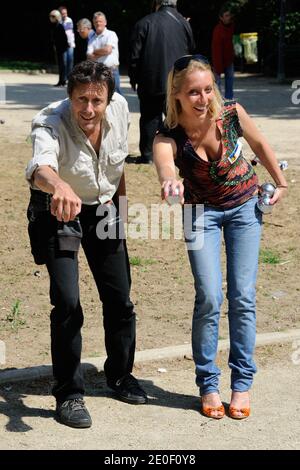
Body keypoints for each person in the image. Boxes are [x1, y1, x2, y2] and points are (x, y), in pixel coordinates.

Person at [153, 55, 288, 419]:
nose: (202, 98)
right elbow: (166, 164)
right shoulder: (168, 136)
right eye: (193, 92)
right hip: (200, 214)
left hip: (245, 207)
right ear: (177, 95)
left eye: (207, 89)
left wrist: (281, 181)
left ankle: (242, 384)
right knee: (210, 296)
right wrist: (170, 180)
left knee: (243, 295)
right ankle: (208, 384)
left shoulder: (230, 113)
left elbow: (259, 145)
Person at [25, 61, 147, 429]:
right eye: (81, 99)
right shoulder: (49, 121)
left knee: (120, 298)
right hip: (58, 209)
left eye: (97, 99)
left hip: (104, 208)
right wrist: (60, 186)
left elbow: (118, 166)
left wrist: (122, 215)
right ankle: (68, 394)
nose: (89, 109)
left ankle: (120, 375)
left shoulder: (121, 109)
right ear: (69, 96)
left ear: (109, 98)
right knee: (67, 302)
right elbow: (39, 168)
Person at [128, 0, 194, 164]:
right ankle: (182, 151)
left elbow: (134, 56)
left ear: (156, 3)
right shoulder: (183, 23)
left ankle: (148, 155)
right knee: (178, 118)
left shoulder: (144, 23)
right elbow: (191, 50)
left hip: (150, 81)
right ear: (175, 3)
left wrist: (133, 78)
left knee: (150, 118)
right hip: (178, 81)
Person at [87, 11, 122, 95]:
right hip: (97, 72)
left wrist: (95, 52)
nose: (98, 23)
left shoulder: (111, 34)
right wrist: (102, 51)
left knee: (116, 96)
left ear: (105, 22)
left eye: (100, 21)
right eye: (96, 22)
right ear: (93, 23)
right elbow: (88, 56)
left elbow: (108, 50)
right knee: (101, 97)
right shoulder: (92, 38)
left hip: (111, 71)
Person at [211, 4, 235, 99]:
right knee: (217, 87)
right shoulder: (218, 30)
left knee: (229, 87)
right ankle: (218, 107)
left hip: (229, 60)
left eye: (229, 15)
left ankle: (229, 109)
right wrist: (218, 67)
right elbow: (216, 50)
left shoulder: (232, 27)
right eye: (226, 16)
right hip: (219, 61)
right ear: (221, 18)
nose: (229, 18)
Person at [49, 10, 68, 87]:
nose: (51, 18)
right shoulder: (53, 26)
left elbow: (64, 39)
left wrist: (62, 48)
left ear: (57, 17)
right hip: (58, 48)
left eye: (53, 16)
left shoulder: (59, 26)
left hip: (61, 49)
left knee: (62, 65)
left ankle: (62, 81)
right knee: (60, 65)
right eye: (50, 16)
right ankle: (61, 80)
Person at [59, 6, 75, 82]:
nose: (64, 15)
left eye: (65, 13)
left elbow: (67, 32)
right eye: (63, 13)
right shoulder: (59, 21)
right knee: (64, 62)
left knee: (70, 62)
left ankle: (69, 79)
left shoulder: (69, 20)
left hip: (70, 44)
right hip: (62, 45)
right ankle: (63, 79)